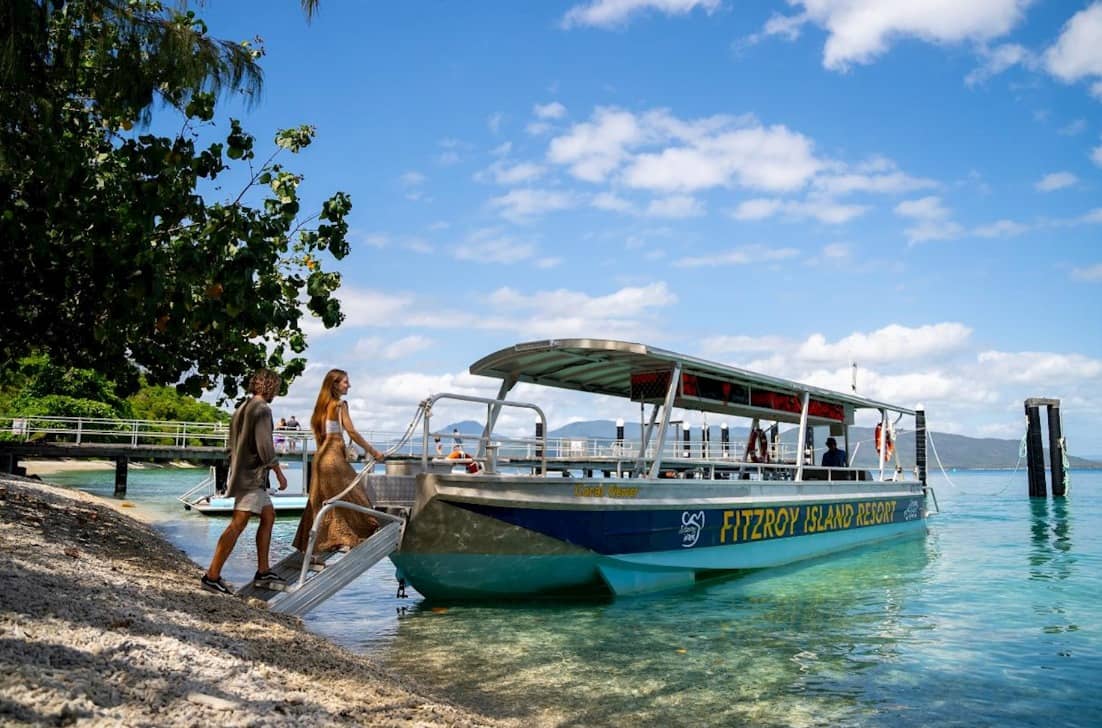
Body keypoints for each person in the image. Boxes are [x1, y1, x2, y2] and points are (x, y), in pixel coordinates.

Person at [201, 369, 288, 595]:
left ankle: (263, 570)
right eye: (276, 388)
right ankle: (212, 576)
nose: (277, 393)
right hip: (252, 476)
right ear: (270, 387)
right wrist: (279, 472)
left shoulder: (242, 408)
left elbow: (233, 443)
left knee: (268, 516)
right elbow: (265, 446)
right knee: (238, 524)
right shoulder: (262, 409)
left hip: (243, 473)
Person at [292, 368, 385, 555]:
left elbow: (320, 436)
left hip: (320, 458)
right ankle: (349, 537)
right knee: (356, 494)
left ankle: (316, 546)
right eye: (345, 382)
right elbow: (351, 432)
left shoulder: (321, 407)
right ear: (334, 385)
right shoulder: (340, 405)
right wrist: (373, 451)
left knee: (320, 502)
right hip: (333, 457)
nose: (349, 385)